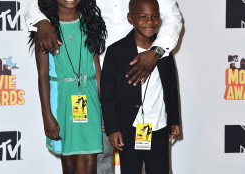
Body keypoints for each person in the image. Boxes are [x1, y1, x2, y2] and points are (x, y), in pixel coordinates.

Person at [24, 0, 182, 173]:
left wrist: (156, 51)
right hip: (105, 85)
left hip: (130, 78)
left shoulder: (160, 53)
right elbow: (34, 6)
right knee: (101, 160)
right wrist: (42, 22)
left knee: (155, 162)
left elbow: (173, 17)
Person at [100, 0, 181, 173]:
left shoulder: (163, 50)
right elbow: (108, 94)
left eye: (155, 17)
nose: (150, 22)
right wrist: (112, 128)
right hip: (129, 129)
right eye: (143, 17)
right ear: (131, 18)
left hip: (159, 128)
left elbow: (171, 88)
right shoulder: (116, 51)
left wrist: (174, 119)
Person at [30, 0, 107, 174]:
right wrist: (47, 115)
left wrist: (106, 109)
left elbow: (97, 67)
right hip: (62, 102)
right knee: (70, 165)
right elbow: (42, 75)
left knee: (89, 163)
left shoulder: (91, 22)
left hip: (90, 100)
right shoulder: (45, 29)